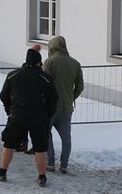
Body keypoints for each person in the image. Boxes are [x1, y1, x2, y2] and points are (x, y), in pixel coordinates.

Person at [0, 49, 58, 187]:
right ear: (39, 62)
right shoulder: (45, 77)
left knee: (9, 144)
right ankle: (42, 177)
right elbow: (53, 98)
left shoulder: (13, 75)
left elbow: (4, 95)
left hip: (17, 116)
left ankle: (2, 172)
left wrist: (10, 110)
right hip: (38, 117)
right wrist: (47, 114)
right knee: (40, 148)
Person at [45, 36, 84, 174]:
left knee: (46, 133)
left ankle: (50, 163)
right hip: (67, 107)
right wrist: (71, 97)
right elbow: (80, 86)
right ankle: (64, 165)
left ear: (52, 47)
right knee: (66, 137)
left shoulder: (49, 62)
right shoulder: (75, 63)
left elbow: (45, 84)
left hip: (51, 107)